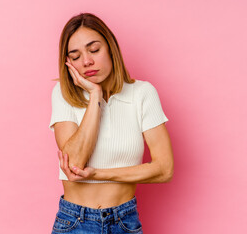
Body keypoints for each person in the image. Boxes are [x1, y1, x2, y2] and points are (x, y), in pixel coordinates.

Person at [49, 12, 174, 234]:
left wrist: (97, 174)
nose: (87, 61)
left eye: (94, 50)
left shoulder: (142, 93)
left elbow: (164, 169)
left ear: (110, 47)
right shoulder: (63, 94)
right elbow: (75, 164)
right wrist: (95, 96)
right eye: (75, 56)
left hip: (124, 222)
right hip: (75, 222)